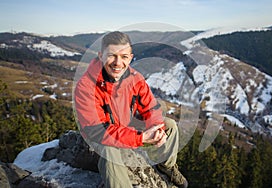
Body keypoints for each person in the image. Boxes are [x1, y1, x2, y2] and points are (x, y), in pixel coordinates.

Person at [74, 31, 188, 188]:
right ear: (101, 55)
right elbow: (98, 130)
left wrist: (157, 129)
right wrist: (140, 138)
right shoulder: (86, 86)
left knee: (170, 125)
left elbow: (151, 108)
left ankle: (166, 166)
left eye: (124, 57)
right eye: (112, 55)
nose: (118, 62)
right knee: (109, 150)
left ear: (131, 57)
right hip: (100, 138)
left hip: (126, 126)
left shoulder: (135, 78)